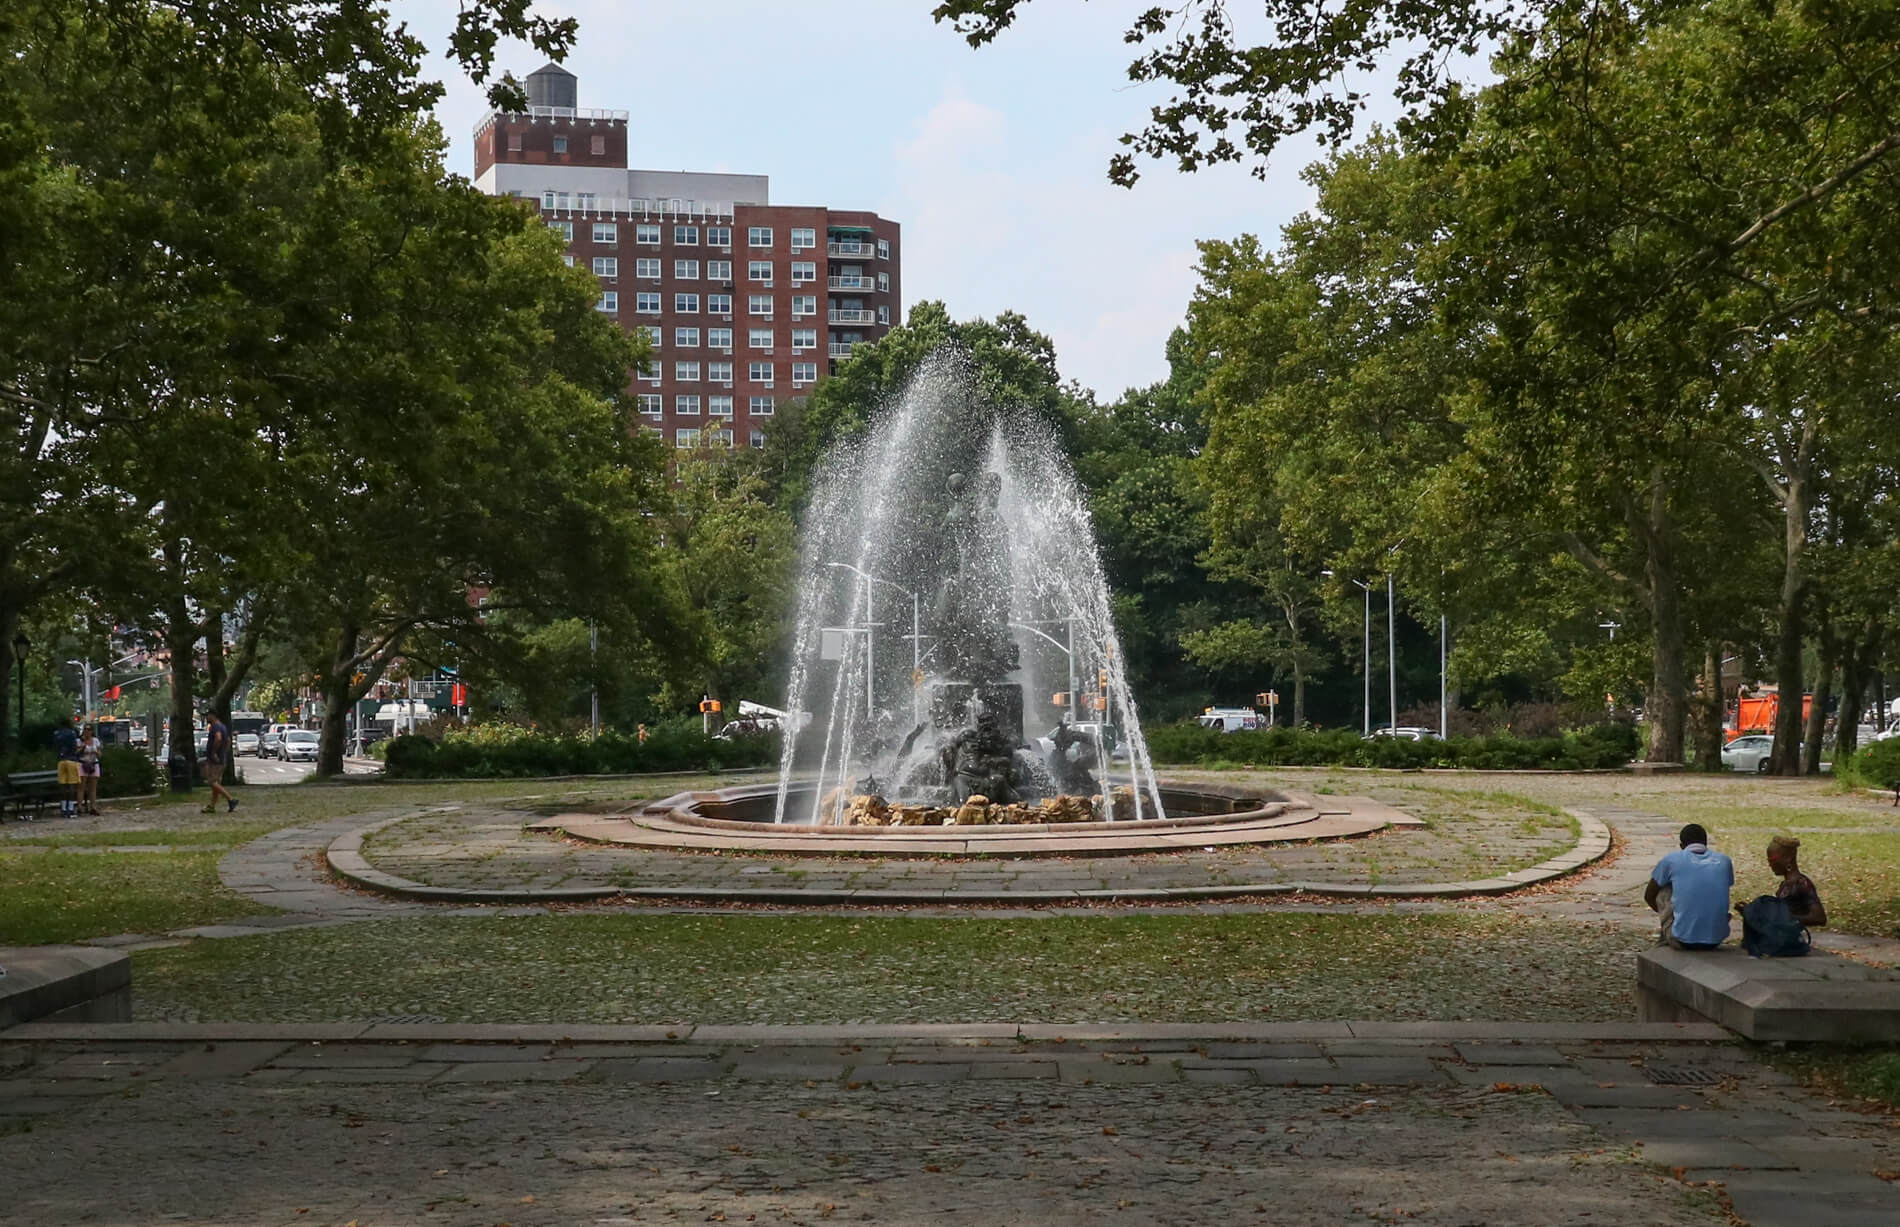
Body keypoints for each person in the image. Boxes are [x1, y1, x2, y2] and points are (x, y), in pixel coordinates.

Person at [1645, 823, 1735, 949]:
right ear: (1706, 843)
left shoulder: (1671, 860)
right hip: (1716, 939)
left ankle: (1672, 930)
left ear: (1681, 846)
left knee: (1665, 890)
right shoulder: (1724, 861)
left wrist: (1670, 916)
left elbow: (1649, 895)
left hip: (1683, 940)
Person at [1745, 835, 1827, 927]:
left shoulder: (1802, 883)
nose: (1770, 865)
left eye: (1772, 860)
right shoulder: (1785, 885)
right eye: (1768, 861)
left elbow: (1819, 918)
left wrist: (1787, 918)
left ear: (1788, 859)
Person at [201, 713, 237, 814]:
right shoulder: (223, 726)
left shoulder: (215, 727)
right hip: (221, 759)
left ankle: (231, 799)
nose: (206, 718)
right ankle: (211, 806)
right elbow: (228, 740)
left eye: (207, 716)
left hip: (215, 760)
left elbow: (218, 738)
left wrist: (214, 753)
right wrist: (224, 752)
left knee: (212, 781)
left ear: (213, 715)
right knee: (216, 783)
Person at [52, 715, 82, 818]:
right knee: (71, 785)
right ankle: (70, 808)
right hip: (71, 760)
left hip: (61, 761)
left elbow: (54, 746)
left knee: (63, 786)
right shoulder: (73, 733)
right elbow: (75, 747)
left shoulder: (57, 733)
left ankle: (63, 808)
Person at [77, 723, 103, 816]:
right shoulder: (79, 740)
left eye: (89, 729)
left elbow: (100, 754)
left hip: (93, 764)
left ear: (92, 731)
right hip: (83, 764)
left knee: (93, 788)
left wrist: (96, 751)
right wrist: (83, 745)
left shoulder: (96, 741)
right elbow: (77, 752)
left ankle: (93, 807)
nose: (87, 731)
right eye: (86, 729)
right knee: (81, 787)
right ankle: (80, 807)